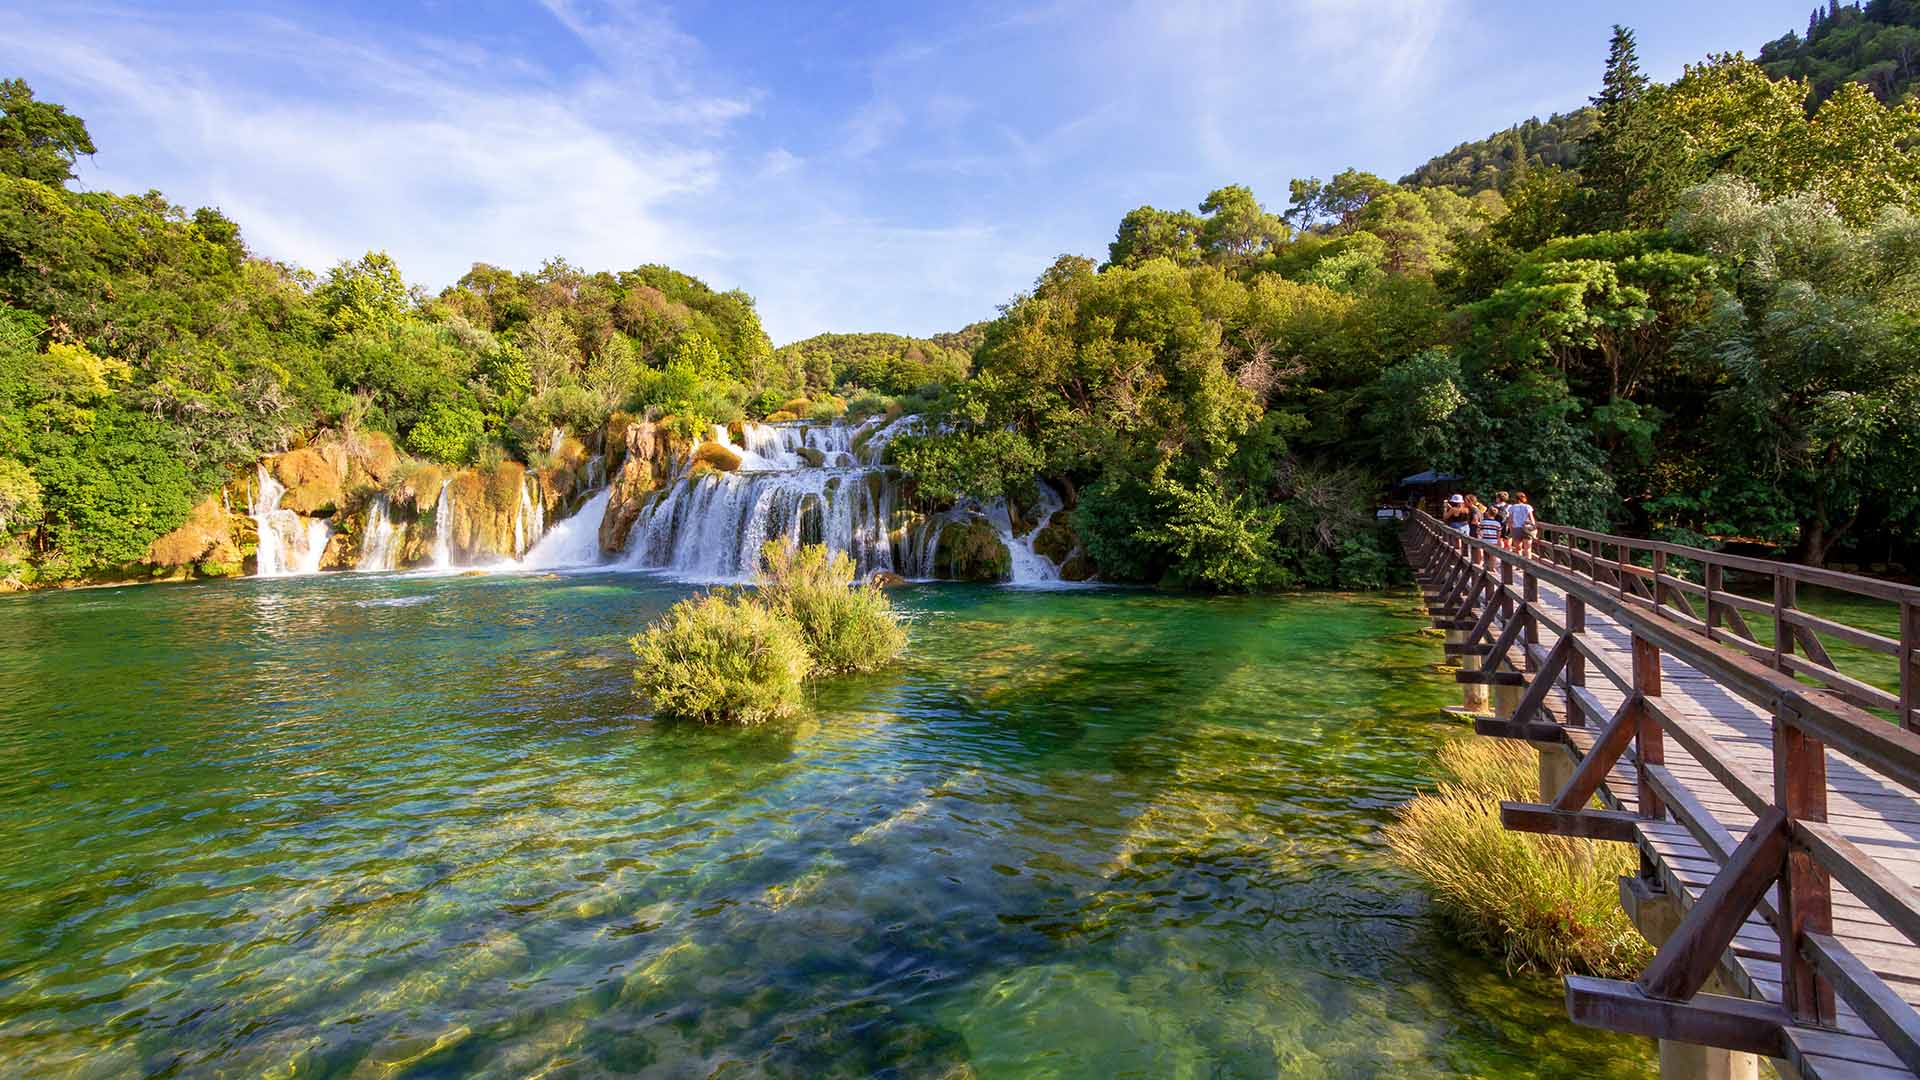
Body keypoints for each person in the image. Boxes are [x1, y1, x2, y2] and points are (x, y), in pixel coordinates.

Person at [1506, 491, 1537, 557]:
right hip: (1527, 528)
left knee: (1518, 549)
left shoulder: (1512, 507)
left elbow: (1510, 520)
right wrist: (1534, 529)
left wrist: (1511, 531)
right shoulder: (1528, 507)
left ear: (1516, 499)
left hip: (1516, 528)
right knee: (1527, 549)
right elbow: (1531, 519)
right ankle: (1528, 565)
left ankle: (1519, 566)